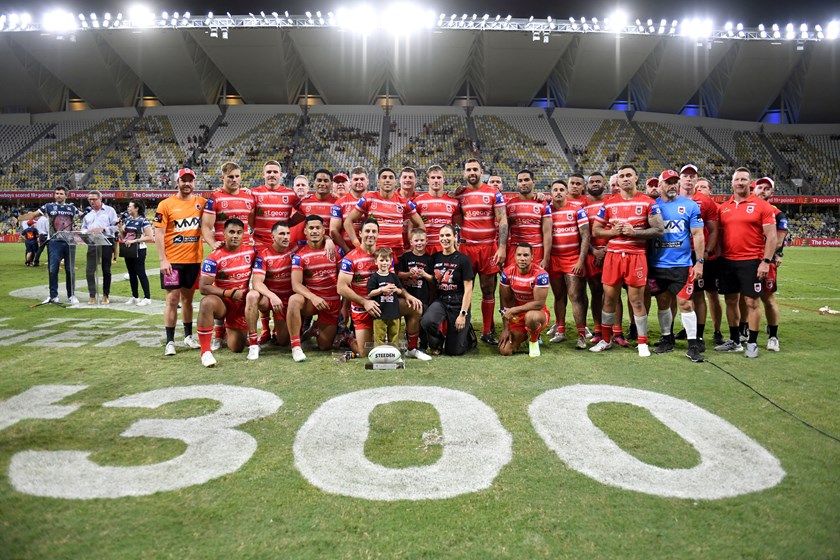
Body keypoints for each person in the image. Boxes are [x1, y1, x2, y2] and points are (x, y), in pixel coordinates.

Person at [591, 164, 664, 357]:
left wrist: (635, 232)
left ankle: (642, 343)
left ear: (636, 178)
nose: (625, 179)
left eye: (629, 175)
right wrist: (613, 232)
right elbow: (596, 230)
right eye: (622, 176)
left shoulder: (648, 202)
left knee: (637, 301)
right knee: (608, 299)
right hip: (613, 256)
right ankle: (606, 340)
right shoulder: (609, 203)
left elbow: (659, 230)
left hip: (636, 256)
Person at [714, 168, 777, 358]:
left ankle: (752, 342)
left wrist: (765, 261)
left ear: (750, 183)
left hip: (752, 261)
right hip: (727, 261)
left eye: (744, 179)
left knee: (751, 301)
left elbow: (772, 237)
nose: (740, 183)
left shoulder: (762, 206)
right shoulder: (723, 207)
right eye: (737, 179)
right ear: (732, 183)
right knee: (731, 300)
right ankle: (735, 340)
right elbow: (719, 236)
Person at [647, 170, 706, 362]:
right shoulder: (653, 205)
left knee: (685, 303)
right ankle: (667, 338)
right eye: (668, 182)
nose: (672, 185)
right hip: (657, 264)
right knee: (663, 303)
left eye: (675, 182)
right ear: (660, 185)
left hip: (681, 264)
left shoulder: (689, 206)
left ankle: (693, 344)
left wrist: (699, 262)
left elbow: (698, 234)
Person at [153, 168, 206, 356]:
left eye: (190, 181)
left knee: (188, 300)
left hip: (193, 260)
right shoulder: (165, 205)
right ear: (177, 182)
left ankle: (188, 336)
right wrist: (162, 260)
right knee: (172, 300)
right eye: (183, 180)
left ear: (194, 183)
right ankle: (169, 341)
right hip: (172, 262)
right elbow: (158, 233)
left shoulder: (202, 203)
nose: (187, 184)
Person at [457, 158, 508, 345]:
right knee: (465, 291)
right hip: (467, 248)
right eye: (468, 169)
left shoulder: (493, 192)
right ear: (464, 173)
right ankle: (465, 329)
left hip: (488, 248)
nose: (472, 172)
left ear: (481, 172)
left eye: (475, 169)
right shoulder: (460, 195)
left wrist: (502, 247)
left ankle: (487, 331)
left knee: (488, 289)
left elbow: (502, 220)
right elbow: (457, 220)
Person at [251, 160, 302, 343]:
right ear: (263, 174)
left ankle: (283, 326)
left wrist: (287, 226)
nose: (272, 174)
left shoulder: (290, 194)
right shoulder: (254, 193)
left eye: (275, 172)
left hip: (280, 246)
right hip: (259, 246)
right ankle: (264, 329)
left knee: (280, 279)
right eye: (269, 172)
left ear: (281, 175)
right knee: (258, 286)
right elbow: (248, 214)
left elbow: (303, 212)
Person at [196, 218, 256, 367]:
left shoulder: (252, 251)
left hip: (240, 305)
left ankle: (223, 330)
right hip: (223, 302)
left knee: (237, 347)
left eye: (239, 232)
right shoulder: (214, 257)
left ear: (244, 234)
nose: (235, 236)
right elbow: (204, 287)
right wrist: (228, 293)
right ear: (223, 234)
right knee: (207, 303)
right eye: (231, 232)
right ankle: (205, 352)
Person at [674, 164, 720, 352]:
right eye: (686, 175)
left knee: (699, 294)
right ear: (680, 179)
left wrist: (706, 253)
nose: (689, 179)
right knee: (676, 294)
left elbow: (714, 229)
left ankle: (698, 335)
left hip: (697, 254)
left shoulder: (704, 201)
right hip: (676, 254)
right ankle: (680, 331)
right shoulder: (671, 198)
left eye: (693, 176)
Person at [287, 215, 343, 362]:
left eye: (318, 228)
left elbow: (344, 280)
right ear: (305, 231)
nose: (314, 231)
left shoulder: (335, 251)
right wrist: (313, 297)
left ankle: (314, 329)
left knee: (324, 346)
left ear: (323, 230)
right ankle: (296, 346)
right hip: (312, 301)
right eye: (311, 228)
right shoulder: (299, 256)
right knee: (294, 300)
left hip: (332, 302)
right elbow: (296, 284)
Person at [545, 180, 590, 349]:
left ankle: (581, 335)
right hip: (554, 259)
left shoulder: (576, 209)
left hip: (572, 259)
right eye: (554, 189)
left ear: (566, 192)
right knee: (558, 296)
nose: (558, 192)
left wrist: (580, 260)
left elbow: (585, 235)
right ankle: (561, 331)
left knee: (575, 295)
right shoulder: (546, 209)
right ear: (550, 193)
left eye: (561, 189)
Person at [19, 186, 82, 304]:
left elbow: (83, 215)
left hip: (69, 242)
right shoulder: (48, 206)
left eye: (61, 193)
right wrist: (21, 217)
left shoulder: (72, 208)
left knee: (70, 270)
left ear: (66, 195)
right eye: (57, 193)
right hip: (54, 242)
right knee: (53, 270)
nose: (58, 195)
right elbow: (34, 214)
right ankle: (54, 296)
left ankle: (71, 295)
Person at [343, 167, 424, 260]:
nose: (387, 180)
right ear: (378, 181)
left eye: (390, 178)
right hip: (374, 254)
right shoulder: (369, 198)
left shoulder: (403, 202)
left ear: (395, 182)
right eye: (384, 177)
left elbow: (420, 224)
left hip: (397, 255)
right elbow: (348, 221)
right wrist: (356, 242)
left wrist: (413, 246)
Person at [421, 223, 475, 356]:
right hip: (441, 301)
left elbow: (468, 289)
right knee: (427, 321)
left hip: (458, 303)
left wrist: (463, 314)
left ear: (455, 237)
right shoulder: (435, 257)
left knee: (454, 351)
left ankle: (468, 335)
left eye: (448, 235)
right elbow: (433, 280)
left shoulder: (463, 260)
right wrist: (421, 274)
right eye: (442, 235)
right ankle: (438, 342)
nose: (444, 238)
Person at [246, 220, 296, 355]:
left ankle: (279, 330)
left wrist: (328, 240)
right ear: (273, 237)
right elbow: (257, 283)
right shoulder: (264, 254)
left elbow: (316, 240)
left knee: (283, 341)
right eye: (281, 234)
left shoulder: (296, 248)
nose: (285, 237)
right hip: (271, 299)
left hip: (288, 301)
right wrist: (272, 296)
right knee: (252, 296)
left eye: (287, 233)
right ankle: (253, 344)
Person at [753, 176, 788, 352]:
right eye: (760, 187)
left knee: (768, 298)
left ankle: (773, 336)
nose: (763, 190)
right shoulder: (747, 208)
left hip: (765, 261)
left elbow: (779, 241)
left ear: (772, 193)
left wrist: (767, 258)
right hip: (746, 260)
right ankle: (745, 332)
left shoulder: (777, 214)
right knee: (745, 298)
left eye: (767, 188)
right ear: (754, 189)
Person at [499, 243, 551, 358]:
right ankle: (524, 335)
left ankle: (534, 340)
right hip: (517, 316)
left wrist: (514, 310)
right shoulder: (507, 273)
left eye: (526, 255)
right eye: (519, 255)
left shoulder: (541, 275)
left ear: (532, 257)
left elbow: (539, 304)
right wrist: (506, 329)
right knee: (505, 350)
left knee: (531, 317)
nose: (522, 258)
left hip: (538, 314)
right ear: (514, 256)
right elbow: (505, 303)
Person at [202, 161, 255, 250]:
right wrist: (213, 243)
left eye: (237, 176)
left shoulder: (249, 197)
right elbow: (206, 226)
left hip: (246, 251)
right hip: (224, 250)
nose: (234, 179)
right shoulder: (215, 197)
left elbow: (255, 225)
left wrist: (254, 239)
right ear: (223, 177)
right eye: (230, 177)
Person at [505, 169, 551, 269]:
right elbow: (505, 231)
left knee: (535, 283)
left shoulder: (542, 204)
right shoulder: (510, 204)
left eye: (526, 180)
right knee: (513, 282)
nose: (523, 183)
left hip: (536, 250)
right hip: (515, 250)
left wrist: (546, 258)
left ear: (533, 182)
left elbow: (547, 233)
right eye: (520, 181)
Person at [80, 190, 119, 305]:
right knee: (89, 270)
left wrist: (103, 229)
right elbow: (83, 228)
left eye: (94, 199)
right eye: (90, 200)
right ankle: (92, 295)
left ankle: (106, 295)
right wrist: (86, 232)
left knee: (106, 269)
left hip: (106, 241)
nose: (92, 202)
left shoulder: (110, 211)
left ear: (100, 199)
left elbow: (115, 227)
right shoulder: (88, 213)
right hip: (92, 242)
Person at [412, 165, 459, 254]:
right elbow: (413, 226)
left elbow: (457, 224)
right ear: (427, 180)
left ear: (444, 179)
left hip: (446, 249)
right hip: (425, 249)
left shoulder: (453, 201)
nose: (436, 180)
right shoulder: (418, 201)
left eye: (439, 177)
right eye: (433, 177)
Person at [366, 247, 407, 346]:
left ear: (390, 262)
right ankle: (379, 356)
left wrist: (395, 290)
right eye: (381, 260)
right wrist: (382, 290)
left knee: (394, 337)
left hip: (394, 313)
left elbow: (400, 290)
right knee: (379, 337)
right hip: (380, 314)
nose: (384, 263)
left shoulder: (393, 276)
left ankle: (394, 356)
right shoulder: (374, 277)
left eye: (386, 260)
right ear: (376, 262)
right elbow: (370, 293)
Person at [119, 200, 154, 306]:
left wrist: (134, 241)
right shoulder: (128, 220)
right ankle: (135, 296)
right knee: (131, 273)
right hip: (128, 249)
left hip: (139, 249)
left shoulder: (143, 221)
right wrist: (120, 227)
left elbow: (150, 236)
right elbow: (123, 235)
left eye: (130, 206)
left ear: (136, 208)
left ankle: (147, 297)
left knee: (140, 272)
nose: (128, 208)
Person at [330, 166, 370, 254]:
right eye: (356, 179)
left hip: (372, 250)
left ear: (367, 181)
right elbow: (333, 230)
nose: (359, 182)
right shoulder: (340, 202)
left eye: (362, 179)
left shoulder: (374, 200)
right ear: (351, 182)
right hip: (349, 250)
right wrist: (347, 250)